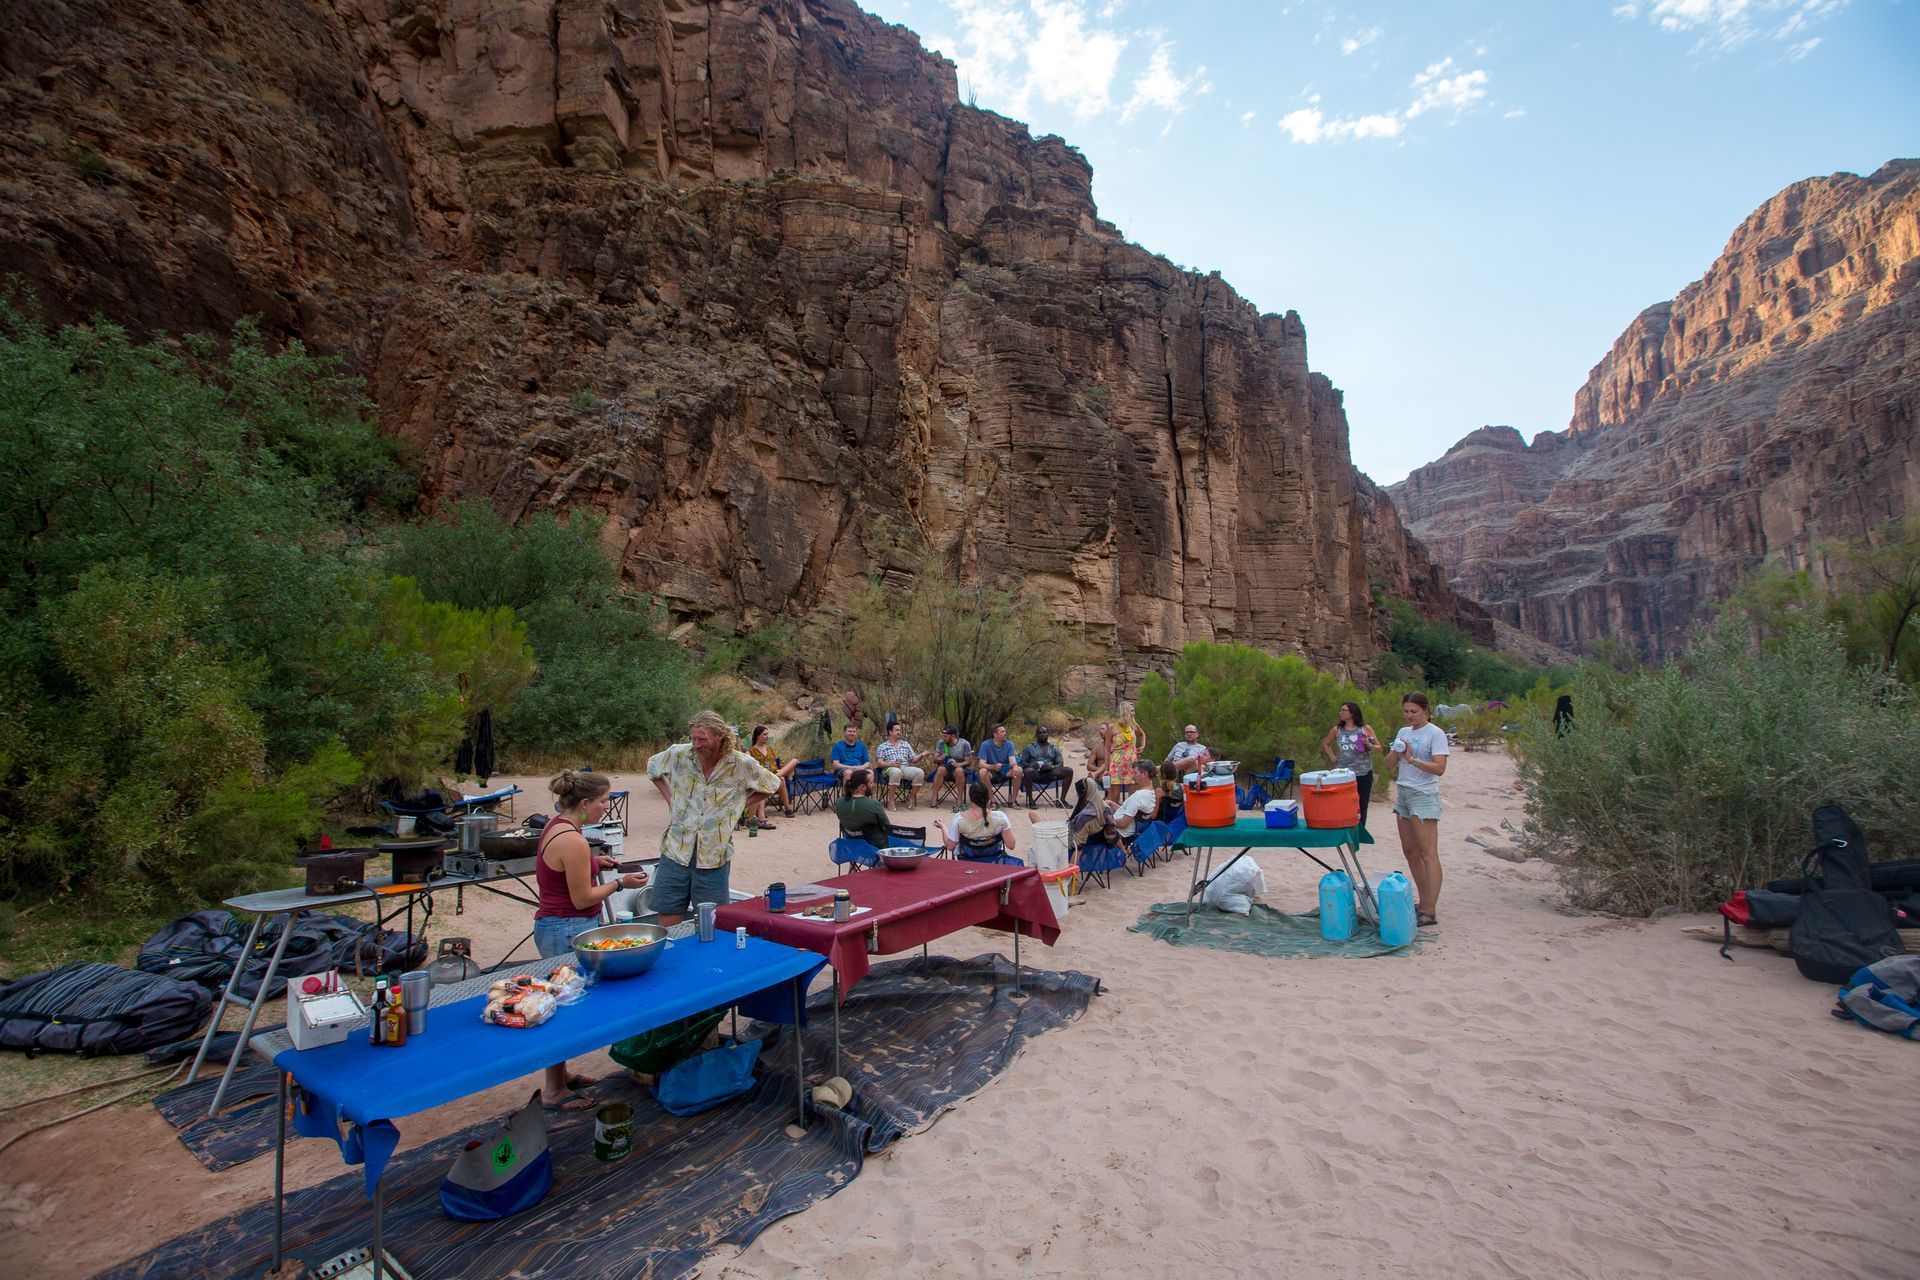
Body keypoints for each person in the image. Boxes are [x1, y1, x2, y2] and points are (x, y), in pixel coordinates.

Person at [533, 768, 648, 1111]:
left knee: (563, 1001)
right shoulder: (573, 839)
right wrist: (620, 884)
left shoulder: (559, 827)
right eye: (602, 801)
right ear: (584, 803)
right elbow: (583, 897)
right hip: (565, 928)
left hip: (559, 924)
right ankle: (553, 1090)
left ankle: (561, 1074)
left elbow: (562, 867)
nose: (605, 807)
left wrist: (592, 861)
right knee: (562, 1007)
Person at [646, 710, 780, 926]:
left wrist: (737, 805)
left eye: (702, 739)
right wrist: (670, 799)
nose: (696, 744)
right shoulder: (679, 754)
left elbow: (772, 784)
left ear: (720, 736)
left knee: (709, 920)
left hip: (714, 853)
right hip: (675, 848)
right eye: (693, 738)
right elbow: (653, 768)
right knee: (668, 909)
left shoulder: (740, 763)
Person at [1386, 691, 1449, 929]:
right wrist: (1397, 751)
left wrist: (1413, 760)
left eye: (1414, 711)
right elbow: (1389, 765)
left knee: (1427, 853)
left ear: (1426, 711)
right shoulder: (1403, 732)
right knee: (1410, 850)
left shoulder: (1435, 733)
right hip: (1403, 793)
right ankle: (1423, 902)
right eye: (1406, 711)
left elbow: (1440, 768)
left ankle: (1430, 910)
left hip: (1423, 795)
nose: (1410, 716)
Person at [1320, 700, 1380, 827]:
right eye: (1340, 710)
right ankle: (1344, 825)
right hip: (1343, 773)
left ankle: (1360, 828)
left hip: (1363, 772)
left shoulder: (1365, 729)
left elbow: (1378, 747)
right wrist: (1332, 756)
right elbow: (1326, 743)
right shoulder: (1337, 730)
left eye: (1344, 710)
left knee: (1362, 802)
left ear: (1352, 712)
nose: (1340, 712)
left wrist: (1368, 744)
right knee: (1343, 801)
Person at [943, 780, 1020, 862]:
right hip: (994, 861)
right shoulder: (1000, 817)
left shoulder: (959, 819)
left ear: (970, 797)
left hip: (968, 863)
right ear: (987, 798)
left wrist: (943, 827)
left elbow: (950, 847)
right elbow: (1011, 845)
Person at [746, 724, 800, 828]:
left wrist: (778, 771)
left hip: (774, 773)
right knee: (781, 780)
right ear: (758, 736)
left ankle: (777, 777)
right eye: (765, 734)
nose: (767, 736)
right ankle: (787, 809)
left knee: (794, 762)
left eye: (767, 734)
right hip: (762, 776)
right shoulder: (751, 751)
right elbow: (748, 763)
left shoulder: (770, 749)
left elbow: (775, 764)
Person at [874, 723, 931, 808]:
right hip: (889, 768)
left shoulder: (905, 744)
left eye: (900, 730)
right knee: (896, 772)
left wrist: (922, 755)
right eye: (897, 730)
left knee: (920, 772)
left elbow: (913, 760)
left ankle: (911, 799)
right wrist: (891, 763)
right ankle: (891, 801)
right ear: (890, 732)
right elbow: (879, 763)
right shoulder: (882, 746)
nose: (899, 732)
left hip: (904, 768)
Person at [833, 768, 893, 848]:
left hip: (850, 843)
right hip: (873, 845)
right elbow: (887, 827)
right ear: (862, 787)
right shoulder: (874, 805)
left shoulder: (839, 801)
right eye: (871, 783)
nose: (874, 785)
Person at [1016, 726, 1073, 808]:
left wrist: (1052, 766)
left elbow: (1060, 763)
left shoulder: (1054, 748)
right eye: (1039, 733)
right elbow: (1022, 763)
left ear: (1048, 734)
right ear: (1036, 735)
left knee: (1069, 770)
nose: (1042, 734)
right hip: (1035, 774)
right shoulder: (1029, 747)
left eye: (1044, 732)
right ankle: (1031, 801)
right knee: (1028, 771)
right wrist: (1032, 766)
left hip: (1050, 773)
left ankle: (1062, 800)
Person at [975, 723, 1024, 796]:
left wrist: (1015, 766)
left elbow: (1012, 761)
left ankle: (1013, 800)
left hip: (1005, 771)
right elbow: (981, 764)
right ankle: (991, 799)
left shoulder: (1009, 744)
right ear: (995, 734)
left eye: (1005, 731)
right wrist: (993, 767)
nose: (1005, 733)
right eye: (1002, 732)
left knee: (1019, 770)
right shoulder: (985, 745)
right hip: (991, 772)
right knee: (982, 772)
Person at [1112, 759, 1159, 836]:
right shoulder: (1151, 794)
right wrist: (1111, 804)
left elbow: (1123, 823)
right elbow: (1129, 812)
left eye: (1135, 773)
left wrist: (1106, 821)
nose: (1133, 776)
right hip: (1130, 832)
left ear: (1144, 774)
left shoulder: (1138, 797)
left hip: (1118, 834)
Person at [1109, 706, 1144, 804]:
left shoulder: (1133, 725)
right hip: (1116, 763)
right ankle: (1114, 817)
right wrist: (1107, 769)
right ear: (1125, 712)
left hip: (1131, 762)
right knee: (1114, 796)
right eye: (1132, 711)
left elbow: (1142, 734)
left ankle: (1130, 817)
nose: (1134, 713)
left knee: (1132, 795)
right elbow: (1107, 751)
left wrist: (1142, 746)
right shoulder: (1112, 727)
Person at [930, 726, 974, 799]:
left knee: (959, 770)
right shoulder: (942, 743)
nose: (943, 738)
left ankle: (959, 799)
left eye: (945, 736)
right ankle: (934, 797)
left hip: (958, 771)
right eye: (942, 736)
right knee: (941, 769)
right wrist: (939, 759)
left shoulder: (964, 744)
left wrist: (957, 764)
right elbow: (934, 760)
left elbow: (968, 762)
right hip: (945, 769)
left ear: (953, 736)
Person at [1155, 759, 1186, 824]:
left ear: (1160, 775)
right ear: (1176, 773)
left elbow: (1153, 815)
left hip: (1163, 824)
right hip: (1177, 823)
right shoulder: (1182, 787)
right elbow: (1185, 809)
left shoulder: (1159, 792)